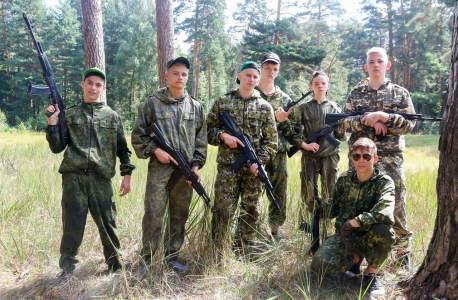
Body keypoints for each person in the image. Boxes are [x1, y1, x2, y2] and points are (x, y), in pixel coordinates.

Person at [45, 67, 136, 277]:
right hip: (73, 179)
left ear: (103, 88)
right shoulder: (69, 114)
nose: (93, 88)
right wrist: (52, 122)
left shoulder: (112, 116)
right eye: (90, 83)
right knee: (72, 225)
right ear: (83, 85)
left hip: (100, 179)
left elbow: (123, 149)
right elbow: (57, 147)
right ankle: (67, 270)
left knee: (108, 223)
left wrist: (127, 175)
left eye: (98, 84)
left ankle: (115, 265)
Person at [337, 47, 415, 266]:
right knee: (358, 203)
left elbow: (409, 124)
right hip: (361, 158)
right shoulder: (356, 93)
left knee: (397, 203)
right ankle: (355, 256)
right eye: (371, 62)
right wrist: (365, 120)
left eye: (380, 61)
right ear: (366, 66)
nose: (376, 65)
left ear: (387, 65)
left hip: (390, 158)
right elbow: (343, 122)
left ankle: (401, 254)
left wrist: (385, 117)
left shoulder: (400, 93)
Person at [131, 57, 207, 275]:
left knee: (179, 215)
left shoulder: (196, 106)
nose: (180, 77)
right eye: (175, 73)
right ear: (167, 75)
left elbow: (201, 140)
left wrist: (195, 166)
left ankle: (172, 257)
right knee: (153, 215)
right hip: (160, 171)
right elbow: (138, 135)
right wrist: (156, 150)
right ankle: (147, 260)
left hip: (184, 173)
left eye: (184, 74)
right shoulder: (152, 103)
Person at [207, 61, 278, 256]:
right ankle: (217, 252)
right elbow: (207, 130)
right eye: (248, 75)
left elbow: (272, 142)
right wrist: (223, 136)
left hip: (253, 171)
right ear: (239, 76)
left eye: (255, 77)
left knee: (251, 211)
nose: (252, 80)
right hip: (228, 168)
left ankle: (243, 251)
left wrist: (260, 161)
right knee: (222, 210)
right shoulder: (223, 102)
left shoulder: (264, 107)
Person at [311, 138, 395, 296]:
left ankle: (370, 275)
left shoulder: (384, 182)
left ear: (374, 159)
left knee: (385, 230)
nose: (361, 160)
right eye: (357, 157)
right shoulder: (344, 180)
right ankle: (355, 261)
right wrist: (319, 207)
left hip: (369, 236)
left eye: (366, 157)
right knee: (319, 265)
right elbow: (334, 208)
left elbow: (385, 211)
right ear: (352, 159)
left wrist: (357, 222)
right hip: (345, 236)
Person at [281, 71, 346, 223]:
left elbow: (342, 137)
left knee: (330, 191)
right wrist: (305, 145)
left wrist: (339, 130)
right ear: (311, 87)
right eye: (316, 84)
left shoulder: (335, 108)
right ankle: (306, 225)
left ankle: (328, 224)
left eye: (323, 83)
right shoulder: (302, 108)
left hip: (330, 155)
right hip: (309, 156)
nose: (320, 86)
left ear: (328, 86)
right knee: (308, 192)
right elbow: (293, 132)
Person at [254, 52, 294, 238]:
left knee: (278, 191)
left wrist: (283, 121)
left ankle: (275, 231)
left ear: (278, 72)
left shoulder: (285, 99)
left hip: (278, 152)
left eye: (275, 69)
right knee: (252, 191)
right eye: (267, 68)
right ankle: (250, 231)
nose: (271, 72)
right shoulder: (251, 93)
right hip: (254, 152)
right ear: (261, 68)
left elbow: (295, 132)